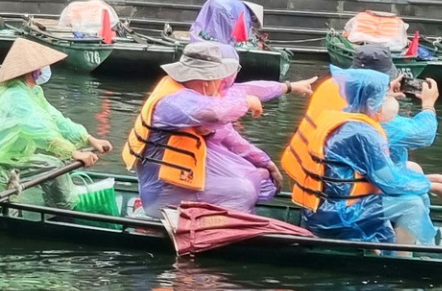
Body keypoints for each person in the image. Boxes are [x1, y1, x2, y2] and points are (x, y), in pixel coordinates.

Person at [122, 41, 313, 216]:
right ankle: (214, 234)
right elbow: (217, 113)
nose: (223, 83)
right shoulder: (174, 102)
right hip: (162, 192)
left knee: (262, 178)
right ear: (207, 81)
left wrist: (289, 87)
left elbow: (248, 92)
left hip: (182, 181)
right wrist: (246, 102)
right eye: (219, 78)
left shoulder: (197, 94)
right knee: (243, 190)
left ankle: (225, 219)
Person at [282, 68, 442, 246]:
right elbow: (391, 184)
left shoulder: (346, 117)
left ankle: (404, 243)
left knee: (413, 180)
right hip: (337, 217)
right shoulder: (363, 133)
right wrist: (433, 186)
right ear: (372, 101)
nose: (389, 99)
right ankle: (399, 263)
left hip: (321, 210)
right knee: (411, 204)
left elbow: (378, 177)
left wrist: (430, 180)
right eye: (384, 95)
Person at [0, 39, 113, 206]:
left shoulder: (33, 92)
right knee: (53, 165)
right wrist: (74, 153)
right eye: (39, 67)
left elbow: (56, 119)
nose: (42, 70)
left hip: (13, 157)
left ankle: (61, 208)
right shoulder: (15, 97)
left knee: (52, 164)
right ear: (31, 71)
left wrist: (89, 138)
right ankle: (61, 216)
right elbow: (41, 130)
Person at [189, 0, 262, 48]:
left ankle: (201, 41)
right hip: (224, 8)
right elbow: (241, 34)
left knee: (207, 27)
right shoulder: (246, 14)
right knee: (221, 38)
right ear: (254, 17)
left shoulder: (238, 5)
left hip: (213, 0)